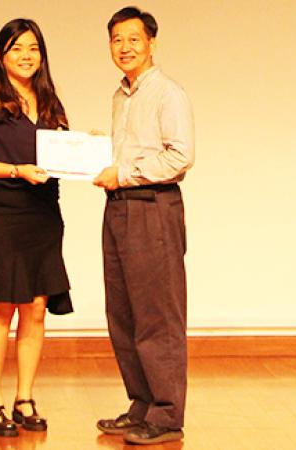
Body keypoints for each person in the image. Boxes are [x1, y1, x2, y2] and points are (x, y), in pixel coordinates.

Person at [0, 18, 72, 438]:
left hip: (44, 215)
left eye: (33, 48)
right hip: (1, 214)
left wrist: (87, 148)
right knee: (2, 304)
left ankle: (25, 398)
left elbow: (61, 156)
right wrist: (16, 170)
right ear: (0, 55)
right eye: (17, 48)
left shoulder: (50, 101)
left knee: (36, 306)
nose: (26, 56)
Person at [92, 6, 194, 446]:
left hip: (153, 206)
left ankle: (167, 414)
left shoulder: (168, 93)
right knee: (123, 314)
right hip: (118, 207)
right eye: (116, 40)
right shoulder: (121, 96)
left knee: (157, 314)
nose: (124, 47)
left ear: (151, 42)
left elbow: (180, 156)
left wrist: (125, 172)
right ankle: (142, 404)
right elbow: (131, 152)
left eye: (133, 39)